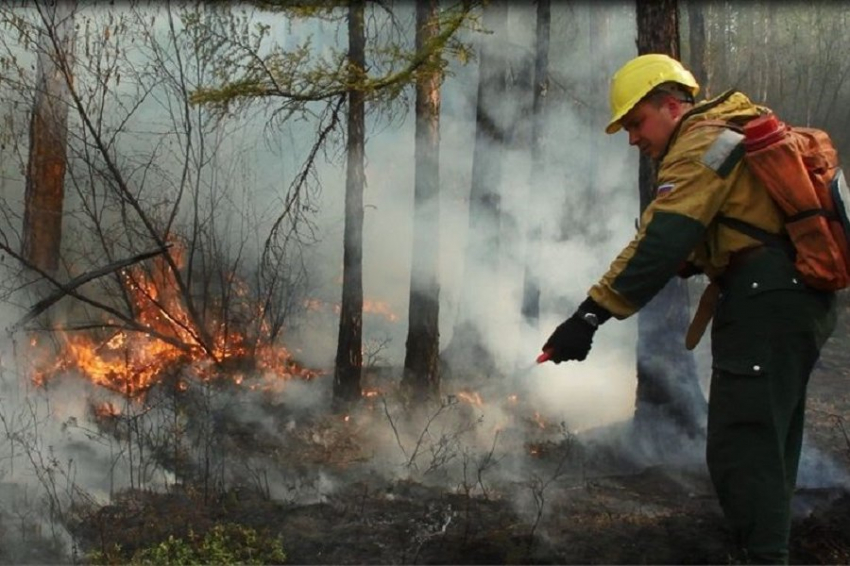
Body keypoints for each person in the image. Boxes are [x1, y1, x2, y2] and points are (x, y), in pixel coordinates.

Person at [539, 53, 837, 564]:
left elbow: (664, 240)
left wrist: (589, 316)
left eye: (636, 123)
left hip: (766, 299)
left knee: (742, 448)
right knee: (767, 441)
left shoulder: (704, 140)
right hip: (787, 300)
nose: (633, 138)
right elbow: (716, 233)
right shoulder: (729, 135)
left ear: (672, 107)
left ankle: (764, 556)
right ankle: (767, 550)